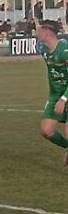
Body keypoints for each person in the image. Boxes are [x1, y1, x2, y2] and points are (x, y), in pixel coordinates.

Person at [36, 20, 68, 166]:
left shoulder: (64, 50)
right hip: (55, 95)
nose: (37, 33)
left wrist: (64, 98)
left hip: (65, 95)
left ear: (47, 33)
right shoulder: (43, 49)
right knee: (46, 131)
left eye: (39, 30)